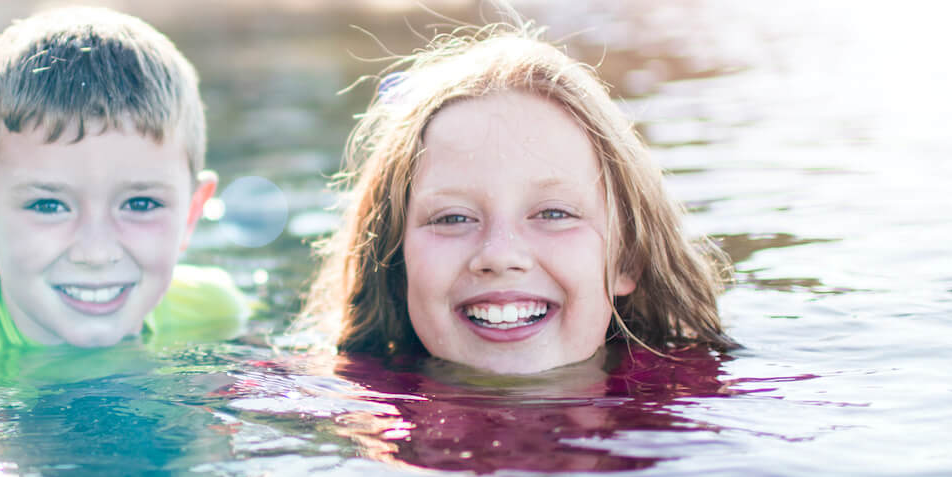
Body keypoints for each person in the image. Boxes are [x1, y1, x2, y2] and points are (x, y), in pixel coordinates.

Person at [301, 28, 734, 374]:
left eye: (553, 213)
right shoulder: (333, 404)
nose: (500, 255)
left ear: (627, 259)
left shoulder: (697, 411)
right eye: (452, 218)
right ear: (395, 263)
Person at [0, 6, 248, 366]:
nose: (96, 253)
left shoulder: (216, 313)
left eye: (141, 204)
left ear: (192, 214)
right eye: (48, 206)